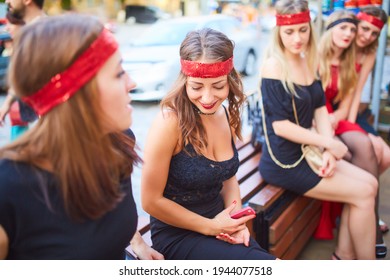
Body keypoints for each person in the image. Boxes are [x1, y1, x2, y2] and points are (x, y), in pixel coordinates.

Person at [0, 14, 163, 260]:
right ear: (78, 94)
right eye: (119, 74)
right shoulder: (9, 188)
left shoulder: (117, 145)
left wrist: (138, 245)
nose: (132, 83)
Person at [141, 27, 276, 260]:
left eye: (218, 86)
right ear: (185, 80)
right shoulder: (169, 122)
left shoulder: (225, 113)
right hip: (179, 235)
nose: (207, 98)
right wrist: (210, 227)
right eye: (196, 87)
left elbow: (229, 178)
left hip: (221, 224)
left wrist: (236, 221)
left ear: (230, 79)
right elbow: (150, 201)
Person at [258, 0, 377, 260]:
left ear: (311, 28)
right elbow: (280, 126)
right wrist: (331, 144)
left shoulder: (306, 60)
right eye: (289, 32)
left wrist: (327, 149)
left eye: (303, 30)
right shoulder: (274, 65)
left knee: (370, 183)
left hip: (308, 150)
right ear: (278, 31)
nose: (297, 38)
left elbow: (320, 109)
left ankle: (343, 256)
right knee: (364, 192)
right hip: (285, 161)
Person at [317, 10, 386, 259]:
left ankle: (368, 224)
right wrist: (330, 123)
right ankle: (367, 230)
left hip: (337, 116)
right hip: (319, 120)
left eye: (351, 30)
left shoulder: (353, 59)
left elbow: (349, 97)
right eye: (344, 28)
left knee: (372, 148)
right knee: (361, 153)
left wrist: (343, 120)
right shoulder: (317, 55)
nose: (352, 35)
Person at [348, 6, 390, 235]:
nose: (367, 36)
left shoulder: (369, 53)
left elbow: (357, 93)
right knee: (373, 150)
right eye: (365, 29)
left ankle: (362, 207)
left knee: (385, 154)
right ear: (356, 24)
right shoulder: (343, 42)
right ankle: (369, 215)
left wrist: (352, 123)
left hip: (354, 113)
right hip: (334, 109)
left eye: (374, 33)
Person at [0, 0, 47, 134]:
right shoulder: (30, 34)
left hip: (44, 124)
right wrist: (8, 103)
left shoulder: (45, 33)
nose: (7, 1)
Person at [0, 11, 27, 140]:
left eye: (10, 23)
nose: (7, 27)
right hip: (20, 112)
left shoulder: (27, 46)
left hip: (29, 113)